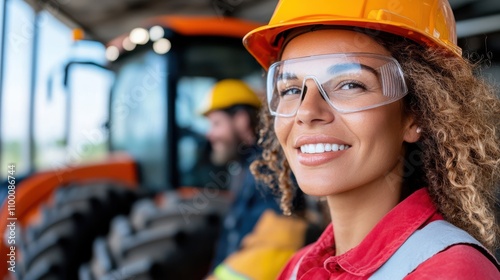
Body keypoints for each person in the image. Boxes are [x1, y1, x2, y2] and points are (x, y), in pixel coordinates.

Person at [242, 0, 500, 278]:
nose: (306, 112)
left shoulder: (451, 270)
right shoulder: (297, 268)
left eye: (350, 84)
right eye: (291, 89)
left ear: (416, 115)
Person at [200, 79, 282, 270]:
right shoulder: (246, 169)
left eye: (216, 123)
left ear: (241, 120)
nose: (209, 135)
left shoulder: (267, 173)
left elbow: (262, 256)